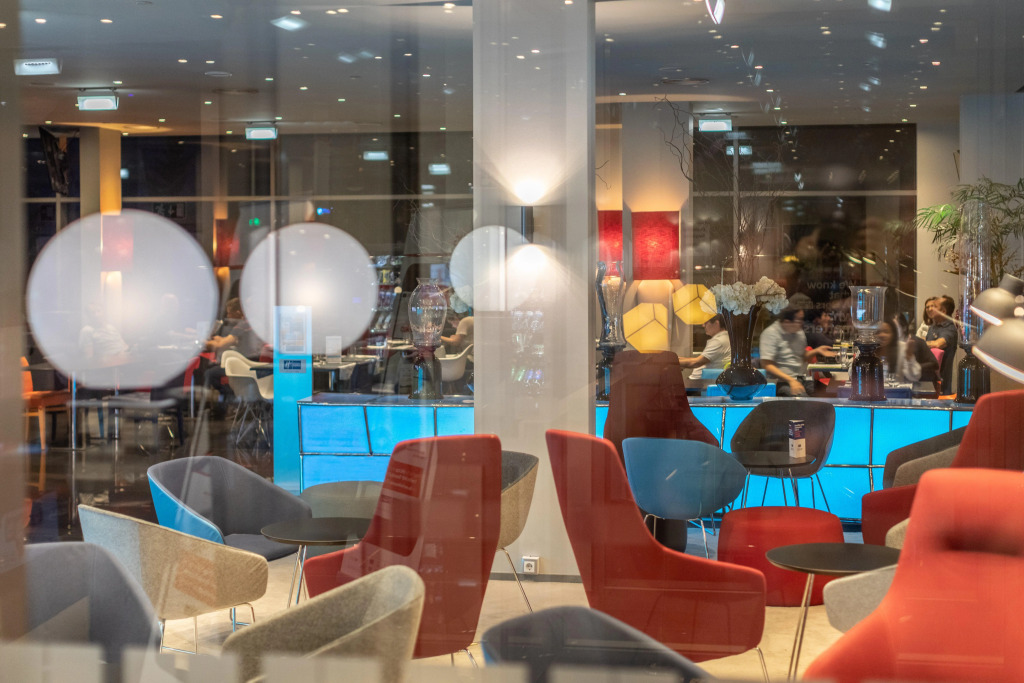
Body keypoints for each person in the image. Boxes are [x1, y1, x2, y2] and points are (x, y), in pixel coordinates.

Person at [759, 307, 835, 396]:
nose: (802, 323)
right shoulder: (770, 334)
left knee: (831, 393)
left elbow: (802, 356)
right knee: (805, 400)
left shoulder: (798, 332)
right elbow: (766, 364)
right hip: (781, 382)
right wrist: (791, 381)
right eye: (799, 320)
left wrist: (817, 350)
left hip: (802, 379)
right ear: (787, 322)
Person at [877, 318, 939, 394]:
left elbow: (915, 376)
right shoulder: (868, 350)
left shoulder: (902, 348)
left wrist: (909, 356)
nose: (881, 335)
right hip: (873, 393)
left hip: (896, 394)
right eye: (878, 332)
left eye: (886, 332)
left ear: (893, 334)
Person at [678, 314, 730, 380]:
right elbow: (700, 359)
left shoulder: (718, 341)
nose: (703, 325)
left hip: (700, 382)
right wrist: (676, 359)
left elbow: (696, 363)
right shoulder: (725, 338)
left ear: (716, 323)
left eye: (706, 323)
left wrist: (672, 362)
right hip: (703, 380)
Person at [923, 295, 957, 393]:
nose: (930, 309)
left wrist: (920, 344)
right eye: (928, 307)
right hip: (929, 379)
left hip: (941, 385)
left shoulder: (949, 328)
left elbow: (938, 344)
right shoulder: (933, 327)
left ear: (943, 311)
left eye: (934, 306)